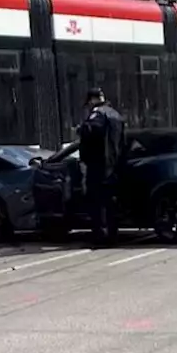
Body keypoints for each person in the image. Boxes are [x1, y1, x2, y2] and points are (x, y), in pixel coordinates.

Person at [50, 88, 126, 245]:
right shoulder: (116, 115)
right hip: (113, 164)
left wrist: (80, 129)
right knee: (109, 201)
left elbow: (92, 129)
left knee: (96, 201)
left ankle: (100, 237)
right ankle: (112, 235)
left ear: (92, 100)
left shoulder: (98, 113)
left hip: (97, 164)